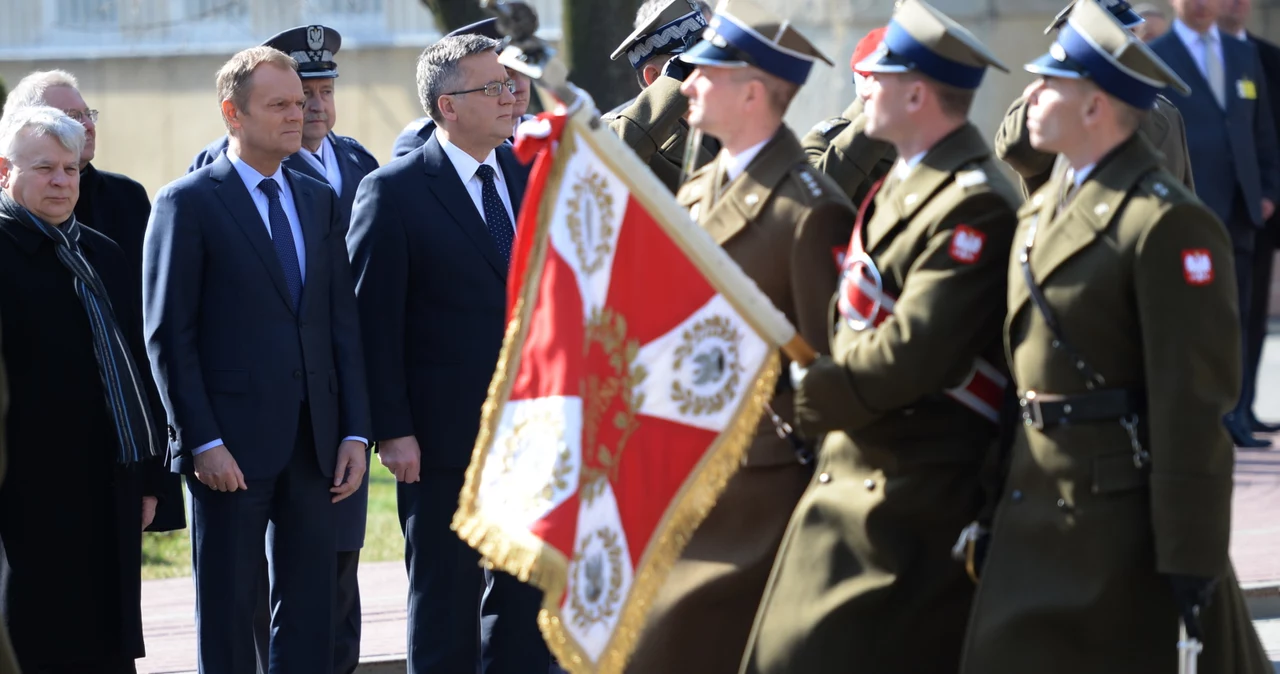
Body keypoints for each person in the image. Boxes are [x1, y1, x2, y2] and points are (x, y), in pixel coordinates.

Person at [959, 3, 1272, 671]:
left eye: (1052, 84)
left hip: (1114, 504)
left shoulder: (1167, 223)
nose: (1033, 92)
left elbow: (1190, 407)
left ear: (1097, 105)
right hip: (1033, 494)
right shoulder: (1042, 207)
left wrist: (1191, 561)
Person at [740, 1, 1018, 672]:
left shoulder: (974, 200)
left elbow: (907, 356)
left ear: (917, 93)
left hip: (916, 488)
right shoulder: (904, 177)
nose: (864, 84)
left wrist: (800, 393)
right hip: (865, 468)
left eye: (880, 75)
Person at [616, 2, 855, 671]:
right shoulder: (698, 191)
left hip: (762, 502)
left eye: (706, 74)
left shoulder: (811, 209)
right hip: (685, 480)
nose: (685, 85)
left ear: (753, 92)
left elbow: (826, 386)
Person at [143, 46, 372, 674]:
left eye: (301, 102)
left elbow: (338, 323)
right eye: (280, 104)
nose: (299, 114)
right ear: (232, 113)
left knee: (309, 611)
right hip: (230, 452)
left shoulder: (319, 195)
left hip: (316, 445)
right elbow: (169, 336)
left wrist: (355, 428)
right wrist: (201, 441)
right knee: (229, 610)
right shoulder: (186, 203)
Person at [347, 34, 548, 674]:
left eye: (511, 83)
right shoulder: (394, 191)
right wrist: (394, 430)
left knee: (523, 609)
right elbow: (373, 325)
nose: (511, 96)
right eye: (493, 87)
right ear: (448, 105)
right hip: (437, 444)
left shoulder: (530, 173)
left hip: (531, 435)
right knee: (446, 606)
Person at [0, 105, 172, 674]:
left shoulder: (103, 252)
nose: (61, 181)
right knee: (39, 645)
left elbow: (137, 370)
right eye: (45, 168)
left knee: (108, 646)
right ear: (5, 170)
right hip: (26, 497)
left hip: (109, 484)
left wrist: (148, 479)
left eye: (71, 170)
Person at [2, 70, 188, 533]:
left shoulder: (110, 238)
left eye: (87, 114)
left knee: (119, 605)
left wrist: (155, 479)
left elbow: (142, 348)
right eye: (46, 169)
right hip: (29, 484)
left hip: (114, 468)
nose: (84, 126)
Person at [1151, 0, 1280, 448]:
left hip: (1243, 208)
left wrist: (1267, 190)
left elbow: (1260, 130)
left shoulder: (1242, 53)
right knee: (1196, 316)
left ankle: (1238, 413)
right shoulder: (1158, 54)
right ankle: (1202, 414)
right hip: (1190, 206)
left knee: (1242, 314)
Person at [996, 0, 1194, 197]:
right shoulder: (1060, 107)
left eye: (1132, 35)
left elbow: (1184, 197)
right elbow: (1015, 148)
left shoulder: (1167, 114)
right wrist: (1052, 80)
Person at [1222, 0, 1280, 435]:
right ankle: (1225, 410)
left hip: (1256, 212)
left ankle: (1245, 407)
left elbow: (1269, 135)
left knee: (1252, 311)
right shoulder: (1188, 55)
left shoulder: (1267, 58)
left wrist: (1270, 194)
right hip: (1208, 207)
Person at [603, 0, 720, 193]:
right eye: (698, 63)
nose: (715, 72)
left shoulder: (723, 122)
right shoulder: (622, 134)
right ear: (656, 78)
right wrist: (668, 89)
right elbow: (600, 165)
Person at [391, 19, 536, 159]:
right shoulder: (422, 140)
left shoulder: (544, 134)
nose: (520, 87)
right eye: (494, 86)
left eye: (525, 72)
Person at [801, 27, 897, 206]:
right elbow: (810, 199)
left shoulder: (926, 138)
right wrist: (874, 117)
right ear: (862, 81)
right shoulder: (826, 138)